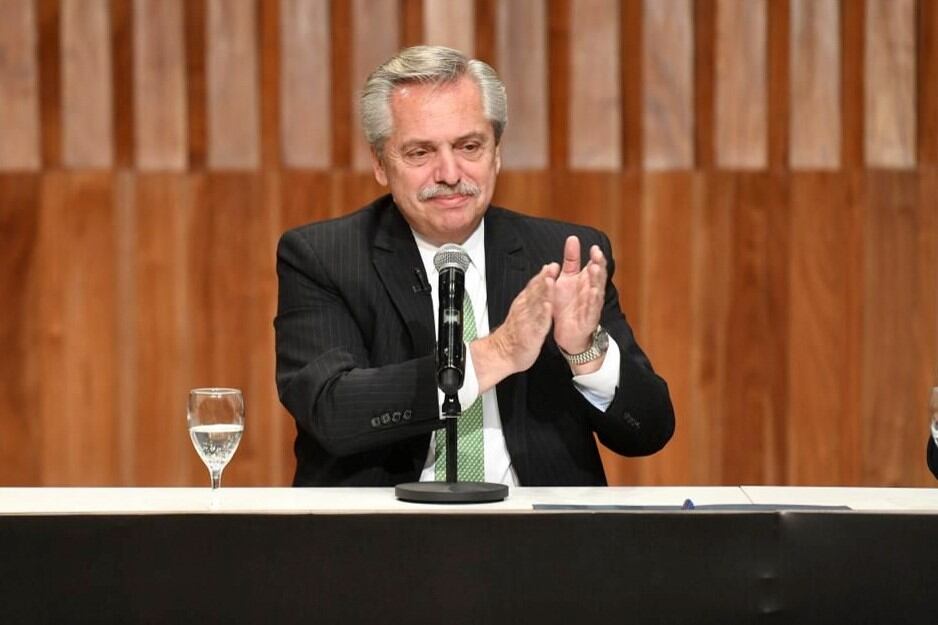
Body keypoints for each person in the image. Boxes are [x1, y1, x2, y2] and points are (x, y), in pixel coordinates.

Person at [275, 46, 674, 486]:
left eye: (469, 146)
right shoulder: (323, 257)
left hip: (541, 540)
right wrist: (498, 353)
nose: (449, 172)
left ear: (496, 153)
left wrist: (584, 352)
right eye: (420, 153)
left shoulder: (562, 257)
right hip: (383, 537)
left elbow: (649, 432)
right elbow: (331, 410)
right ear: (380, 164)